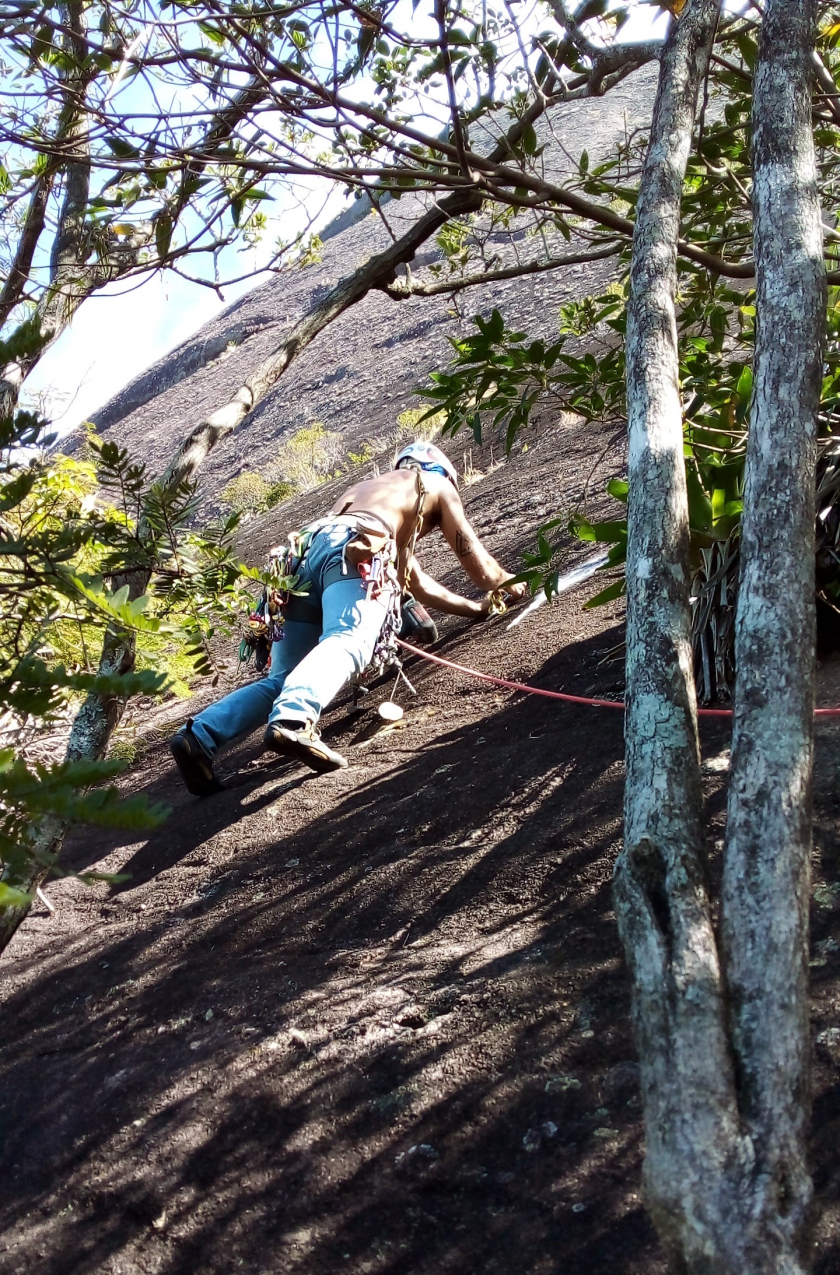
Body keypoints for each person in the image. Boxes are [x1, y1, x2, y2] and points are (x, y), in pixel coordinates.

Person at [170, 441, 526, 794]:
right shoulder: (435, 484)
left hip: (302, 555)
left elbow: (417, 584)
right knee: (349, 638)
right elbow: (476, 561)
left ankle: (199, 736)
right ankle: (294, 719)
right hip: (353, 550)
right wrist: (511, 585)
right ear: (440, 470)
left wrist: (477, 609)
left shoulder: (374, 492)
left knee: (285, 677)